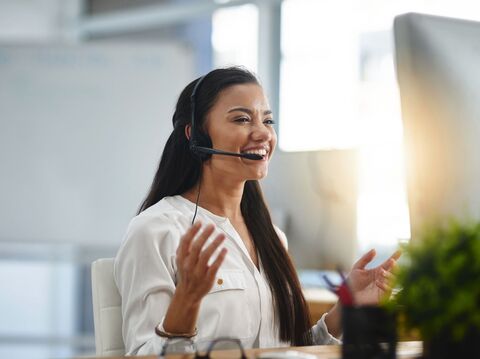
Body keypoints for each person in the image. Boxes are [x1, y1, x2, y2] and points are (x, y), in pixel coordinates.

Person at [114, 67, 401, 355]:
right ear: (196, 136)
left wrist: (346, 308)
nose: (263, 132)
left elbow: (288, 351)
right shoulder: (157, 230)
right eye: (241, 119)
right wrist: (185, 304)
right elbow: (143, 354)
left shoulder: (272, 237)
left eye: (268, 120)